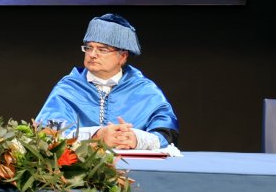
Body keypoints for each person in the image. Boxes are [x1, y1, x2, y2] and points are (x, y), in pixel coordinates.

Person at [36, 13, 178, 149]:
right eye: (89, 48)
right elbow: (47, 134)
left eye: (102, 50)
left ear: (123, 56)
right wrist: (96, 136)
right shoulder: (68, 88)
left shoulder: (144, 90)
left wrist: (137, 139)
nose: (92, 54)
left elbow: (167, 132)